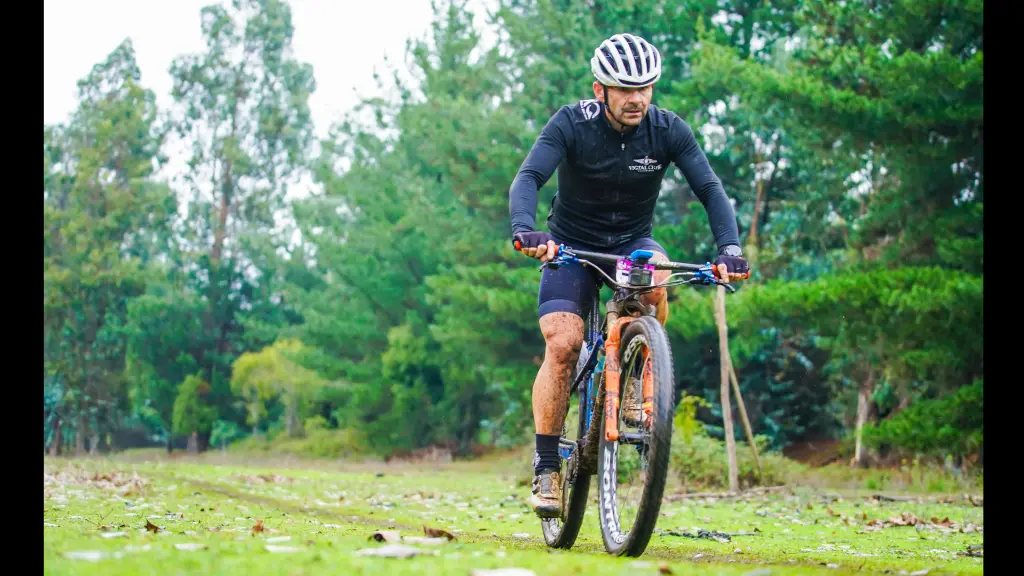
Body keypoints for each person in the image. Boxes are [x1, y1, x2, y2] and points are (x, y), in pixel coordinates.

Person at [508, 33, 751, 518]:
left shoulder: (668, 130)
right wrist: (526, 229)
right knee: (563, 343)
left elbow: (709, 187)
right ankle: (547, 464)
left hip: (632, 243)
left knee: (656, 276)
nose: (637, 98)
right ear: (601, 90)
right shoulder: (571, 123)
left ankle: (640, 372)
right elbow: (529, 177)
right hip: (570, 244)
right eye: (625, 89)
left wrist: (730, 248)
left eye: (646, 87)